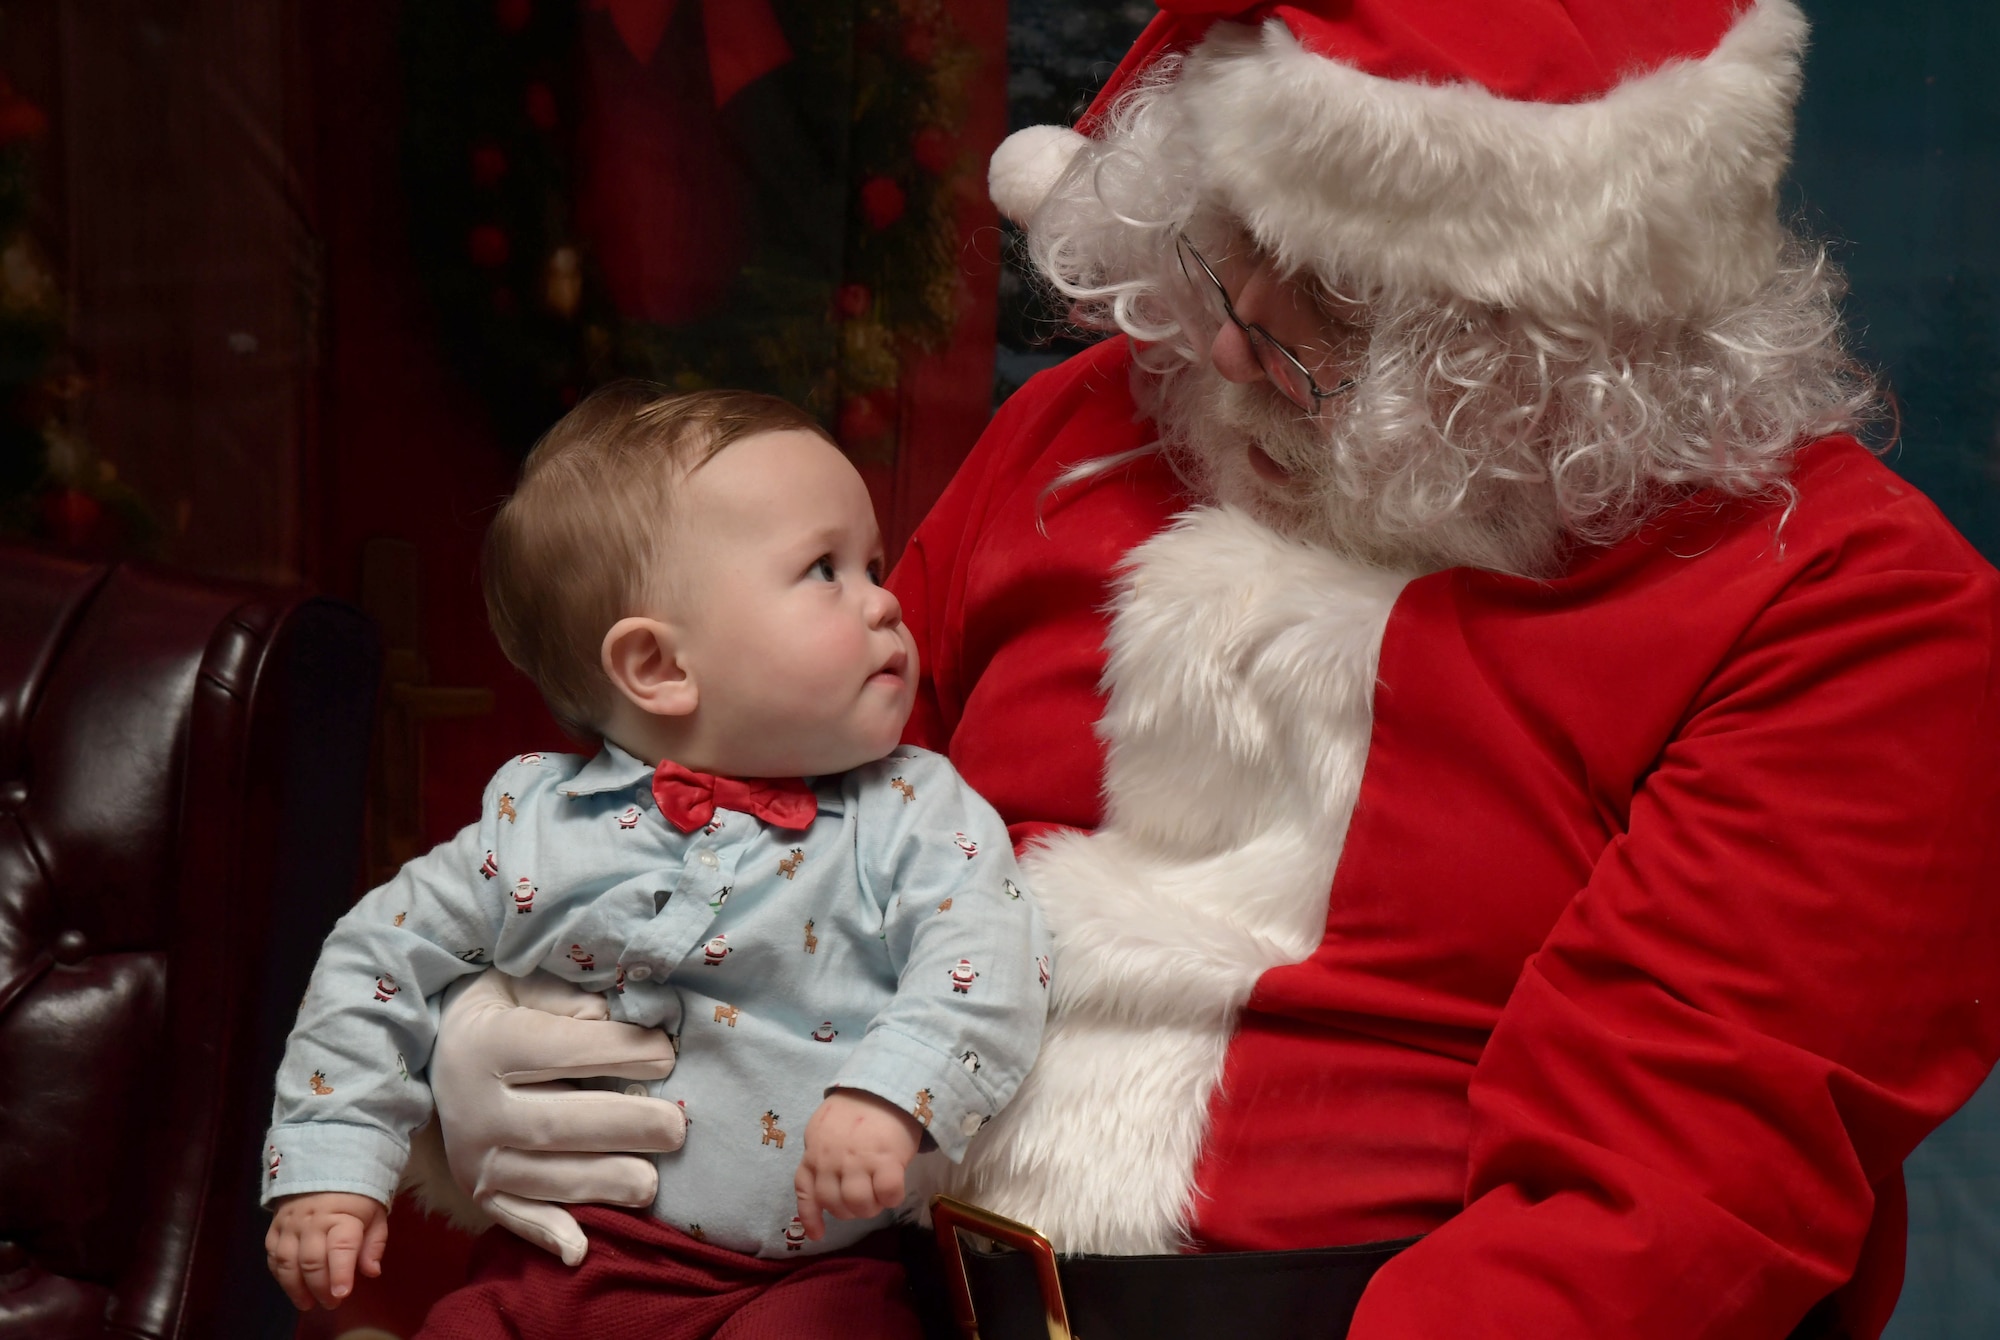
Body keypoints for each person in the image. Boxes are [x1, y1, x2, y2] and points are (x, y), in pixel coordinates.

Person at [412, 3, 2000, 1337]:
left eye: (1335, 310)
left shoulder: (1850, 606)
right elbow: (798, 826)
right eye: (1227, 245)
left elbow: (1656, 1217)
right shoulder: (1094, 421)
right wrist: (529, 1036)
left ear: (1574, 341)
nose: (1226, 346)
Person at [260, 386, 1050, 1338]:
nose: (886, 601)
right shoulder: (536, 826)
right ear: (658, 668)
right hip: (556, 1261)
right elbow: (373, 957)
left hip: (796, 1281)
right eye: (824, 569)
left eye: (873, 565)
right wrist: (333, 1160)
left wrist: (891, 1094)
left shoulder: (912, 810)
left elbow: (991, 950)